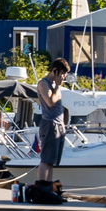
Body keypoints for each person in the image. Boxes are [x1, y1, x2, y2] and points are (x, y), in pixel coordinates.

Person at [31, 57, 71, 199]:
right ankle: (42, 188)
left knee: (52, 161)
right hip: (50, 125)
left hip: (59, 125)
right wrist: (58, 86)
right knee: (46, 159)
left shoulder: (54, 85)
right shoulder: (44, 83)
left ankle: (49, 189)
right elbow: (50, 102)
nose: (64, 77)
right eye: (62, 74)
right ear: (55, 71)